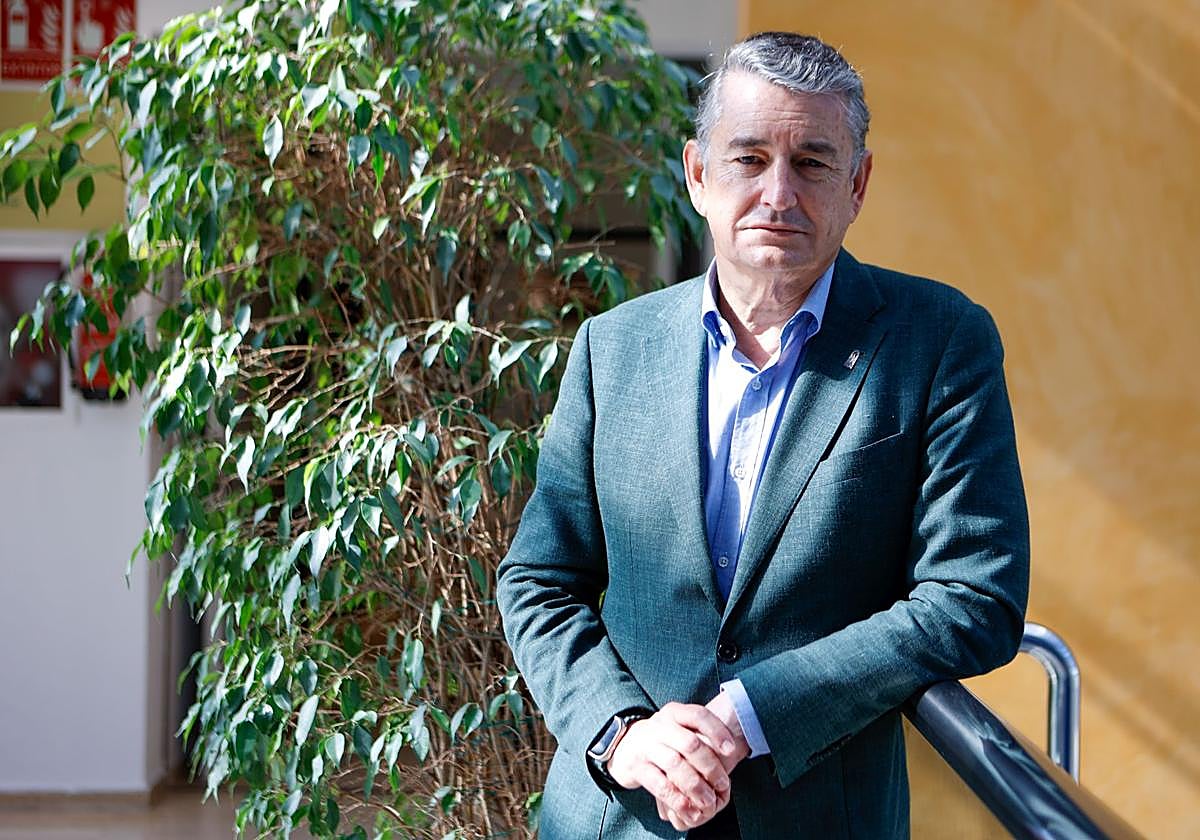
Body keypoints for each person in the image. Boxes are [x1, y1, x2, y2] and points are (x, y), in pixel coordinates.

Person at [497, 31, 1029, 839]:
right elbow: (539, 579)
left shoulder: (939, 341)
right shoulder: (613, 348)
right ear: (697, 175)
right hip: (618, 817)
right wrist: (620, 733)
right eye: (749, 159)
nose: (779, 193)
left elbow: (975, 595)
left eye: (812, 162)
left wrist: (754, 713)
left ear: (858, 184)